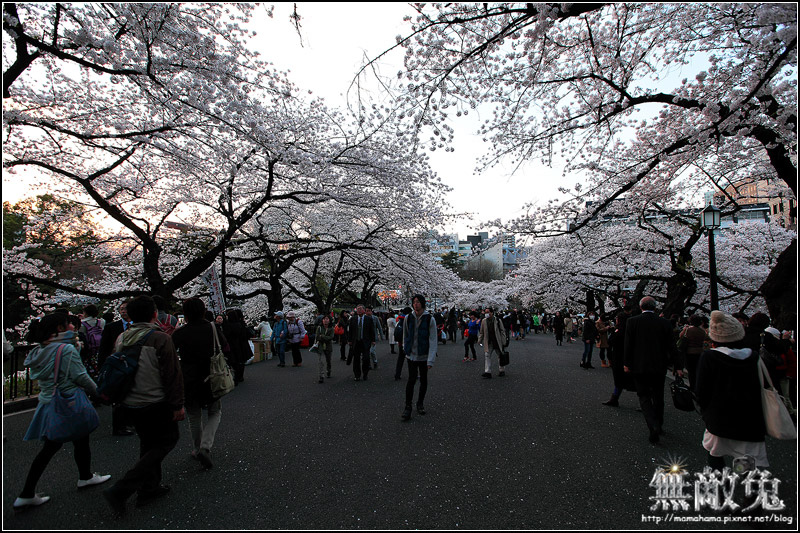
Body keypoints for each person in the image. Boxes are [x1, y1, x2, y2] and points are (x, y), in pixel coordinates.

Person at [14, 313, 111, 510]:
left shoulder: (40, 349)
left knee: (79, 439)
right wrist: (99, 393)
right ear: (60, 328)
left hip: (48, 400)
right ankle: (26, 493)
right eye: (69, 324)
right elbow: (81, 376)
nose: (74, 326)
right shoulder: (65, 349)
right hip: (68, 401)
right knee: (52, 446)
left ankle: (85, 476)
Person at [102, 295, 185, 515]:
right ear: (154, 314)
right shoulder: (160, 338)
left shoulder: (122, 337)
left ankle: (149, 488)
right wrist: (177, 404)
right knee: (167, 440)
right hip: (155, 400)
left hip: (130, 401)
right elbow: (172, 374)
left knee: (148, 443)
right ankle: (122, 489)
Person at [696, 311, 767, 469]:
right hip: (750, 417)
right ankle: (747, 483)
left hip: (718, 416)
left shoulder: (709, 357)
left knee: (715, 453)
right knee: (747, 457)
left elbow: (701, 391)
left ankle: (721, 483)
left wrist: (705, 411)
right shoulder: (754, 357)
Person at [171, 297, 228, 469]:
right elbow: (225, 347)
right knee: (215, 411)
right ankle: (206, 446)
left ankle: (197, 448)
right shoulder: (212, 328)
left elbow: (170, 354)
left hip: (189, 378)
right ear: (203, 311)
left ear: (185, 314)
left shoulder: (180, 332)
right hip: (212, 376)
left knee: (194, 415)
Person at [624, 296, 683, 444]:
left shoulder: (632, 321)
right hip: (659, 365)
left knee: (644, 396)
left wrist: (627, 363)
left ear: (641, 307)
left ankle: (652, 425)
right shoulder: (664, 323)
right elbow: (672, 346)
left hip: (639, 365)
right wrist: (678, 366)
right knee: (658, 396)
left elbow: (628, 344)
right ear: (655, 307)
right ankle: (659, 424)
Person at [97, 300, 136, 437]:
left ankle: (130, 422)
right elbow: (104, 348)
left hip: (132, 364)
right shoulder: (112, 327)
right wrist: (102, 366)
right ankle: (119, 426)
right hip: (117, 366)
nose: (123, 311)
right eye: (121, 309)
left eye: (126, 308)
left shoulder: (137, 327)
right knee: (118, 396)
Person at [401, 295, 438, 420]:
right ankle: (408, 407)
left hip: (424, 355)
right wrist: (405, 348)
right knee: (411, 380)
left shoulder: (429, 319)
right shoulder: (408, 318)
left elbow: (433, 339)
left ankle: (420, 403)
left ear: (422, 303)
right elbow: (405, 334)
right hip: (411, 354)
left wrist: (431, 359)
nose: (415, 304)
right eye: (414, 302)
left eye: (418, 302)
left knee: (423, 380)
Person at [602, 308, 635, 407]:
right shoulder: (630, 330)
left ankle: (615, 398)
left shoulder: (620, 331)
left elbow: (611, 341)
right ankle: (614, 398)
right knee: (621, 379)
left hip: (619, 357)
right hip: (626, 357)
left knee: (619, 379)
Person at [678, 315, 708, 391]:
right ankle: (697, 385)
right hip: (699, 351)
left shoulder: (688, 330)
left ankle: (692, 385)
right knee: (696, 369)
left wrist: (684, 329)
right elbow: (705, 338)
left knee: (690, 370)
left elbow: (680, 336)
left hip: (689, 351)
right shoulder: (702, 331)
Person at [223, 309, 252, 382]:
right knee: (241, 362)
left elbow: (227, 335)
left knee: (234, 362)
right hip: (241, 345)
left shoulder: (229, 326)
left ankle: (236, 377)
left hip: (233, 346)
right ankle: (240, 376)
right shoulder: (240, 324)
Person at [347, 304, 375, 381]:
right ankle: (357, 375)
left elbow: (372, 330)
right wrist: (349, 340)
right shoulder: (353, 319)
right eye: (357, 309)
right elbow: (350, 330)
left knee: (366, 358)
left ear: (364, 310)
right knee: (356, 359)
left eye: (360, 309)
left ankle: (365, 373)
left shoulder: (368, 319)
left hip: (365, 341)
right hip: (356, 341)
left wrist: (373, 340)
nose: (358, 310)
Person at [478, 307, 508, 378]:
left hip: (497, 341)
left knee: (500, 355)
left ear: (492, 313)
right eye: (485, 312)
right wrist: (479, 340)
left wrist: (503, 341)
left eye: (488, 312)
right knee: (487, 355)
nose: (486, 314)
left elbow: (502, 331)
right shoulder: (484, 321)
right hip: (489, 341)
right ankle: (487, 371)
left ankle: (501, 370)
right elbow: (481, 332)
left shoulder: (497, 320)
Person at [79, 304, 105, 378]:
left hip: (89, 348)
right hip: (100, 348)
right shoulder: (101, 322)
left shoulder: (82, 324)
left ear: (85, 313)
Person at [315, 315, 335, 383]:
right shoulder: (319, 328)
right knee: (321, 361)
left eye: (327, 319)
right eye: (324, 319)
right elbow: (317, 337)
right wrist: (325, 337)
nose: (325, 320)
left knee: (328, 361)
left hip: (328, 347)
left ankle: (328, 370)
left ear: (329, 321)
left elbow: (331, 337)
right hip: (320, 346)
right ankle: (321, 376)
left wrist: (322, 336)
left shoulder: (331, 329)